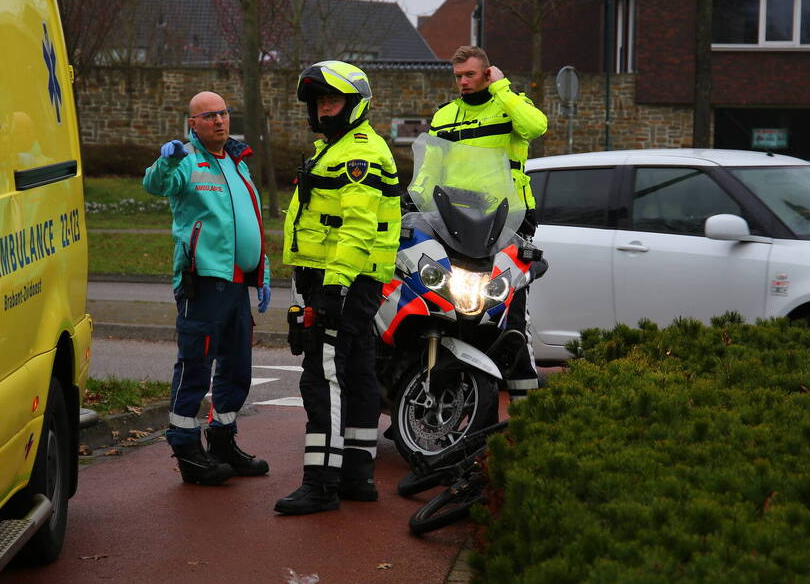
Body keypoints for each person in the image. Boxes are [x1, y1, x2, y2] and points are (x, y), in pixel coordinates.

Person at [274, 61, 401, 515]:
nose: (324, 110)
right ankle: (356, 475)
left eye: (332, 101)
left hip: (340, 281)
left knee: (323, 377)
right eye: (319, 103)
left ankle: (322, 484)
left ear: (355, 104)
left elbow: (356, 228)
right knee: (357, 371)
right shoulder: (340, 147)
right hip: (344, 281)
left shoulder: (355, 154)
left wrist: (332, 288)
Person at [143, 91, 272, 485]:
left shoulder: (236, 161)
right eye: (209, 116)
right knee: (196, 365)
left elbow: (251, 220)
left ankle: (221, 441)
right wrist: (167, 160)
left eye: (223, 113)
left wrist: (263, 272)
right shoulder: (186, 160)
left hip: (237, 284)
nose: (219, 121)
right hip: (203, 283)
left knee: (236, 368)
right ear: (193, 124)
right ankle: (186, 447)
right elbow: (156, 184)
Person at [429, 45, 547, 402]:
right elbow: (430, 170)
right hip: (459, 222)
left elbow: (536, 126)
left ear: (487, 72)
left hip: (509, 217)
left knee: (509, 306)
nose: (463, 82)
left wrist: (502, 89)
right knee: (458, 302)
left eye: (470, 75)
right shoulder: (445, 115)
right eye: (458, 76)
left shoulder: (509, 104)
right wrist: (413, 200)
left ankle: (523, 391)